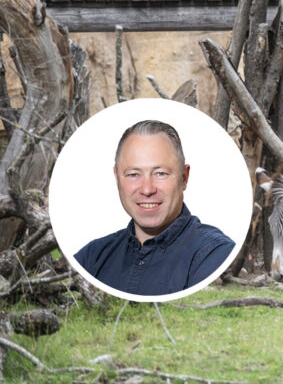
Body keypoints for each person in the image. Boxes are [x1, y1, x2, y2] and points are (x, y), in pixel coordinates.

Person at [74, 120, 235, 296]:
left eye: (161, 174)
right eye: (133, 174)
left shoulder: (214, 254)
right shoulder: (92, 257)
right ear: (117, 178)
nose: (147, 189)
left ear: (184, 177)